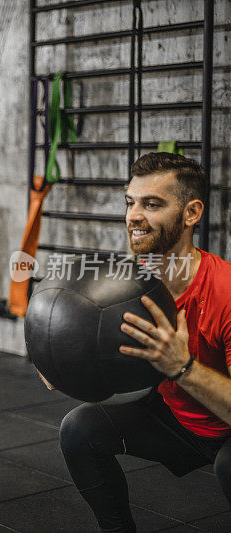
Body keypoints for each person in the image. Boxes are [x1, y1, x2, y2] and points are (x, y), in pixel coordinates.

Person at [47, 152, 231, 532]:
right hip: (177, 417)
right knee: (79, 429)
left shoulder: (225, 292)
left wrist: (182, 368)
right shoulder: (129, 283)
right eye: (130, 202)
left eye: (152, 204)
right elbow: (109, 360)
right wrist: (63, 360)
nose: (133, 215)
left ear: (191, 213)